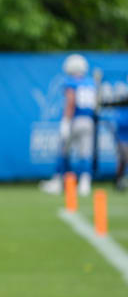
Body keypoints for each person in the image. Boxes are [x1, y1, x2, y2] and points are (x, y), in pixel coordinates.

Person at [40, 54, 96, 196]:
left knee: (63, 150)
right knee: (85, 153)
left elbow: (70, 102)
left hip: (75, 120)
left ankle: (59, 181)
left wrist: (66, 121)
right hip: (89, 121)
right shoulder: (91, 83)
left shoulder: (71, 82)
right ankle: (85, 183)